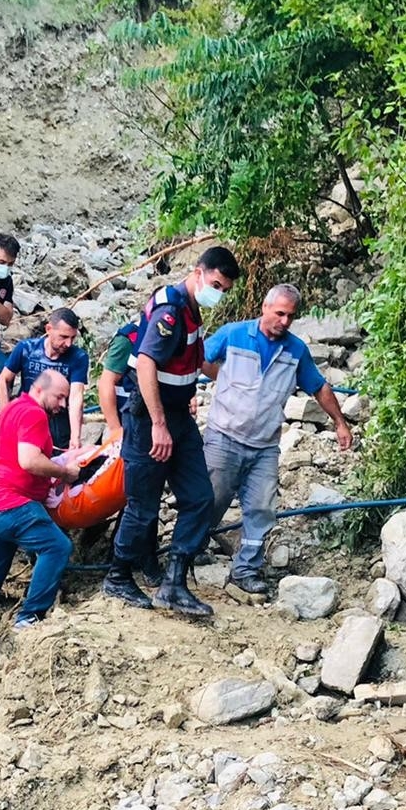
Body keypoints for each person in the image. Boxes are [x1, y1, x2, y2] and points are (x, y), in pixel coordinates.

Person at [102, 245, 241, 617]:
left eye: (225, 289)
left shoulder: (191, 309)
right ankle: (117, 575)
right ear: (198, 272)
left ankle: (174, 582)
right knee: (142, 505)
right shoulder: (170, 309)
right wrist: (158, 424)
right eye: (216, 284)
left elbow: (196, 362)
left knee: (198, 498)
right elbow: (146, 362)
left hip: (179, 416)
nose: (219, 293)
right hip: (151, 418)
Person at [202, 284, 354, 595]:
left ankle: (246, 569)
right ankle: (188, 552)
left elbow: (319, 387)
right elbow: (197, 359)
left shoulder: (295, 349)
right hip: (224, 437)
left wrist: (341, 423)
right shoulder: (234, 334)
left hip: (264, 446)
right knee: (209, 500)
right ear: (264, 307)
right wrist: (211, 382)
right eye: (280, 313)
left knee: (261, 508)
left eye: (291, 316)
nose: (284, 321)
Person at [0, 372, 82, 662]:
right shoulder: (34, 415)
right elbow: (29, 460)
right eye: (59, 397)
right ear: (39, 389)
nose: (63, 404)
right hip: (11, 503)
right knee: (57, 547)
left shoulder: (11, 407)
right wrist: (64, 472)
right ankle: (31, 618)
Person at [96, 318, 160, 585]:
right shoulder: (130, 338)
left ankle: (137, 554)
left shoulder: (173, 334)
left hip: (151, 424)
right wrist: (115, 429)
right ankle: (126, 557)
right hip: (129, 424)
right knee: (134, 494)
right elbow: (106, 383)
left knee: (146, 493)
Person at [0, 307, 90, 451]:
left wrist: (75, 437)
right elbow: (4, 380)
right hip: (26, 413)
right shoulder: (26, 349)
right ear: (48, 329)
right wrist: (5, 417)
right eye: (63, 337)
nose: (69, 343)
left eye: (72, 338)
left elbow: (76, 396)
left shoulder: (78, 357)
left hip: (58, 418)